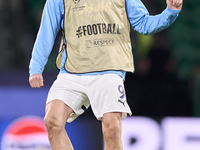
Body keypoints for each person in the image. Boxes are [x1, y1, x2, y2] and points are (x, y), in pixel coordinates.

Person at [29, 0, 182, 149]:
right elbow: (46, 33)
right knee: (52, 121)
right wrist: (36, 68)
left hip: (109, 72)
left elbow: (144, 24)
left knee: (112, 130)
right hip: (72, 72)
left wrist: (170, 13)